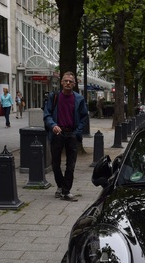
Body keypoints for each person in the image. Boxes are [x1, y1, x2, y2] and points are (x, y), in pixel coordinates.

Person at [43, 71, 89, 202]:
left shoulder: (79, 99)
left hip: (72, 133)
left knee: (71, 164)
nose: (68, 83)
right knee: (55, 163)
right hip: (57, 133)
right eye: (65, 81)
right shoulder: (54, 97)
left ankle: (66, 190)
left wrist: (78, 131)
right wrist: (53, 125)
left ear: (74, 84)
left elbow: (84, 116)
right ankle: (60, 186)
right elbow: (47, 115)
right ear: (61, 82)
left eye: (70, 81)